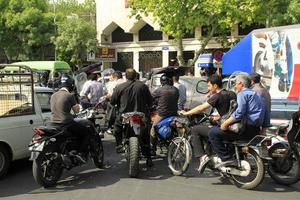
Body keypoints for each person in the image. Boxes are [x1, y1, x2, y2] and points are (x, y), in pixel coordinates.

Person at [179, 74, 236, 171]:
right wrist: (219, 116)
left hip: (226, 127)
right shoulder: (232, 94)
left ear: (215, 86)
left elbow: (201, 108)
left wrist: (187, 112)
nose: (208, 88)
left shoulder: (217, 96)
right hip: (233, 125)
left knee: (195, 129)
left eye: (209, 86)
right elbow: (230, 110)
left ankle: (202, 157)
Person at [208, 74, 266, 168]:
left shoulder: (242, 94)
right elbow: (266, 114)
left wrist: (225, 123)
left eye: (235, 83)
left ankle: (226, 158)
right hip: (256, 131)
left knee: (213, 133)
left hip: (245, 130)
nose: (235, 86)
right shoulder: (258, 96)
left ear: (240, 84)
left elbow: (239, 113)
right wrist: (264, 129)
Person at [110, 68, 153, 166]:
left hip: (124, 115)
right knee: (145, 134)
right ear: (135, 76)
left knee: (117, 127)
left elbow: (112, 102)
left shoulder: (119, 87)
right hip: (141, 115)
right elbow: (150, 102)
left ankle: (119, 144)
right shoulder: (143, 86)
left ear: (125, 76)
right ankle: (149, 157)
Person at [50, 74, 93, 163]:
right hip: (66, 123)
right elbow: (77, 111)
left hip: (53, 123)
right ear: (71, 85)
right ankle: (81, 153)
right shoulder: (69, 95)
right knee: (87, 132)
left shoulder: (53, 95)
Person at [151, 74, 179, 154]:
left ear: (161, 82)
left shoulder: (159, 90)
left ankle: (153, 149)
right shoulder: (176, 90)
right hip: (174, 113)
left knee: (153, 129)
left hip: (162, 114)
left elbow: (150, 99)